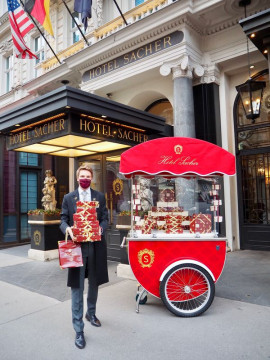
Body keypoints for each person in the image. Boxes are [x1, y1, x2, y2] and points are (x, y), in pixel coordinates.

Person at [60, 163, 109, 349]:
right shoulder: (68, 198)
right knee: (77, 286)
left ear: (92, 178)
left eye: (89, 176)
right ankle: (78, 329)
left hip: (95, 246)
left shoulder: (100, 197)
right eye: (83, 176)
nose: (86, 179)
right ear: (77, 178)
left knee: (94, 282)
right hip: (77, 246)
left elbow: (105, 217)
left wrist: (101, 228)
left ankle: (91, 313)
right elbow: (63, 220)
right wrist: (68, 229)